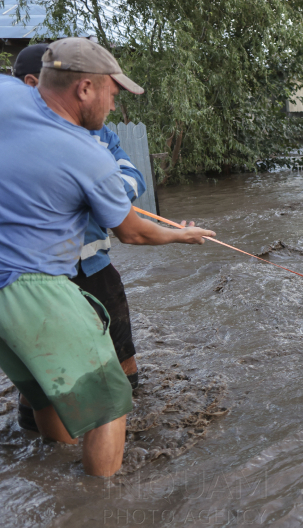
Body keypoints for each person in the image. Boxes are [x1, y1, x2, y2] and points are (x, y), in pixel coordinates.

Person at [0, 37, 215, 477]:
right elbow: (133, 233)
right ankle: (101, 511)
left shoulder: (7, 94)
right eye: (112, 93)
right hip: (33, 288)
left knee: (43, 395)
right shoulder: (87, 155)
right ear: (84, 89)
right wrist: (182, 236)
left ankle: (57, 482)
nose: (114, 105)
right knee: (111, 405)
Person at [12, 43, 147, 436]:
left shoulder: (98, 132)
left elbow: (131, 175)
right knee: (41, 375)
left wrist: (102, 192)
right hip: (37, 278)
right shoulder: (19, 132)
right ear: (32, 84)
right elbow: (134, 232)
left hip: (94, 266)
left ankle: (118, 429)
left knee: (123, 359)